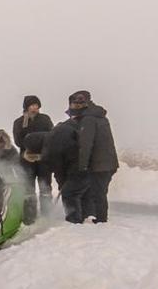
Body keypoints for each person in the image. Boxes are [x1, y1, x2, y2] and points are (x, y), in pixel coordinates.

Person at [43, 92, 90, 223]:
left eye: (80, 103)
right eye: (75, 103)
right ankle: (82, 217)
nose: (78, 106)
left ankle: (74, 221)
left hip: (79, 167)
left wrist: (64, 181)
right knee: (76, 192)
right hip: (80, 166)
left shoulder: (81, 124)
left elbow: (60, 163)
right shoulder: (67, 128)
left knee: (70, 193)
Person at [74, 90, 119, 223]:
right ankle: (100, 217)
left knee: (98, 192)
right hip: (109, 162)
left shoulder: (88, 119)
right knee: (100, 192)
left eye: (77, 103)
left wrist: (82, 166)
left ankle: (101, 220)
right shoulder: (100, 116)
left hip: (100, 164)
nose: (75, 106)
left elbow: (86, 144)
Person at [12, 95, 54, 213]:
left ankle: (47, 214)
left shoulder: (45, 119)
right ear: (26, 107)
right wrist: (28, 146)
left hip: (43, 159)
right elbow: (17, 140)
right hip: (26, 160)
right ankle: (30, 216)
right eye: (31, 105)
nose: (34, 108)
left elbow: (52, 135)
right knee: (28, 190)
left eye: (36, 105)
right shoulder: (19, 122)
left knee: (45, 188)